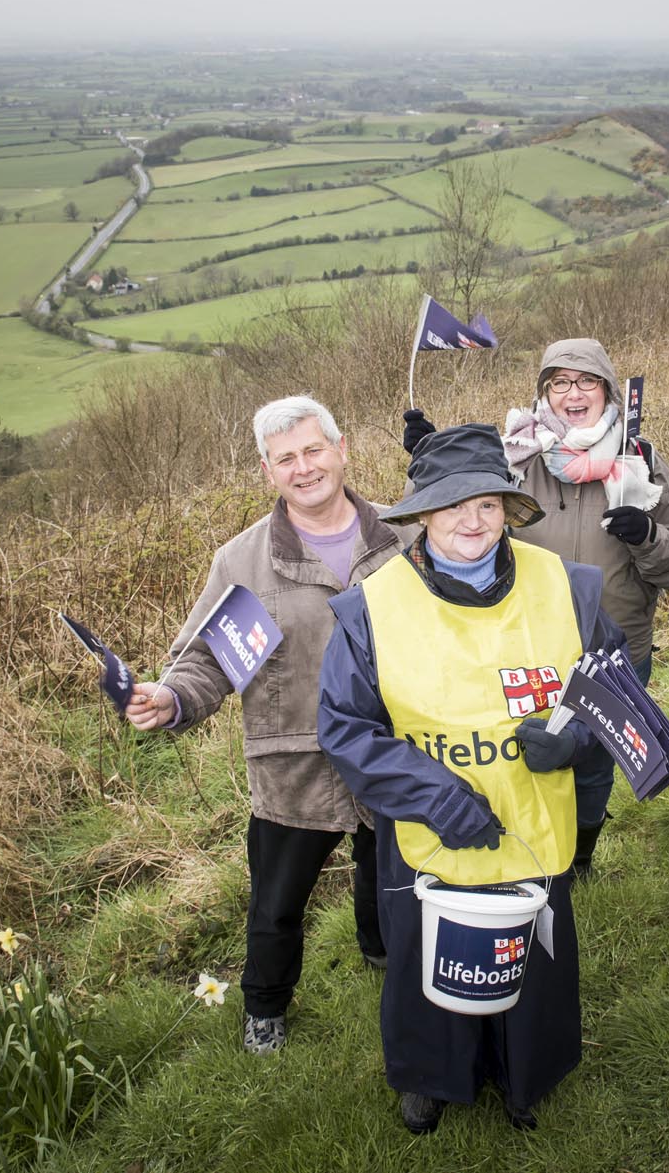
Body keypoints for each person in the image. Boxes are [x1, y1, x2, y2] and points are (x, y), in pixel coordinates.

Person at [317, 423, 628, 1133]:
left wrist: (575, 738)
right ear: (423, 514)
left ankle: (526, 1076)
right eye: (453, 505)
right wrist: (433, 797)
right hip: (429, 836)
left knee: (534, 964)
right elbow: (345, 727)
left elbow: (614, 692)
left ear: (508, 508)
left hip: (534, 826)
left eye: (487, 503)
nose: (472, 521)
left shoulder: (567, 586)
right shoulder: (371, 607)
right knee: (425, 961)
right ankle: (430, 1076)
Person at [125, 395, 407, 1055]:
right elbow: (206, 659)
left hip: (390, 748)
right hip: (293, 761)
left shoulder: (401, 539)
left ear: (341, 450)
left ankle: (384, 956)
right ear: (267, 470)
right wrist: (171, 698)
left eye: (313, 450)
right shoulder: (243, 561)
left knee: (387, 873)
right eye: (286, 459)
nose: (303, 468)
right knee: (277, 902)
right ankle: (265, 1009)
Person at [401, 338, 669, 874]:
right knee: (527, 754)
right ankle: (523, 854)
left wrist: (648, 536)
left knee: (593, 764)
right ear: (544, 392)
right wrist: (427, 459)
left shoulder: (641, 462)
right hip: (525, 651)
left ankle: (578, 858)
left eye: (586, 382)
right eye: (559, 383)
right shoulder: (517, 457)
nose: (573, 394)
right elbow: (459, 518)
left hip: (615, 651)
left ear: (607, 389)